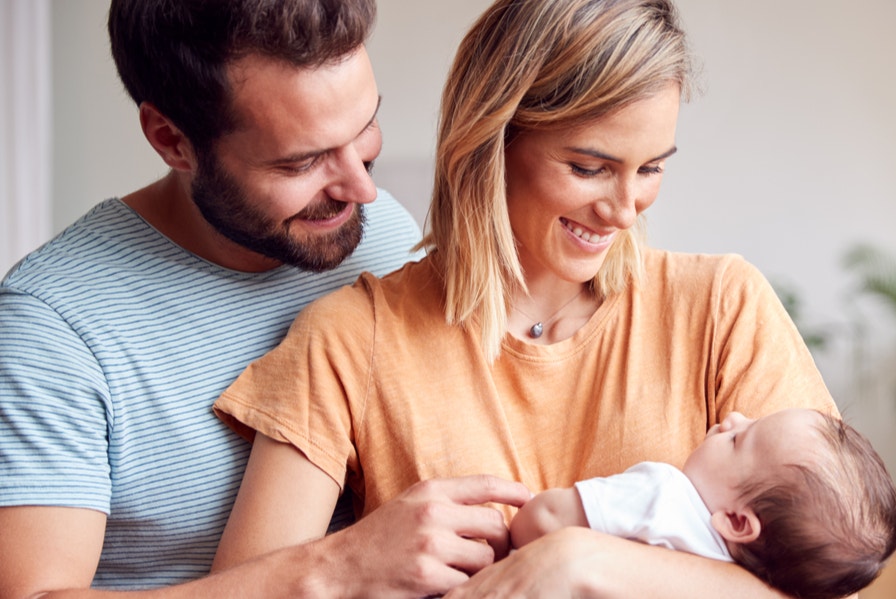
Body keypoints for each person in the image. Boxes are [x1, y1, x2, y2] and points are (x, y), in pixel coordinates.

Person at [211, 0, 849, 596]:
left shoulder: (721, 307)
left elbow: (834, 576)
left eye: (651, 168)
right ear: (493, 142)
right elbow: (249, 586)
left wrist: (582, 562)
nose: (624, 211)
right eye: (589, 167)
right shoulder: (352, 339)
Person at [0, 1, 531, 596]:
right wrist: (340, 567)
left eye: (364, 130)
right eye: (301, 161)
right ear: (172, 140)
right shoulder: (51, 328)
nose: (362, 187)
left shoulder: (380, 236)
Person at [510, 408, 896, 599]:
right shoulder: (757, 578)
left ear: (736, 520)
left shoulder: (662, 497)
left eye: (739, 440)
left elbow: (539, 521)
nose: (733, 417)